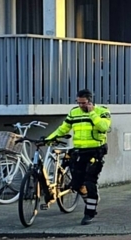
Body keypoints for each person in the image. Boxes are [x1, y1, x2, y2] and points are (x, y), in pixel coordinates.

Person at [47, 89, 112, 225]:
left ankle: (90, 212)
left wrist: (92, 113)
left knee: (90, 182)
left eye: (83, 103)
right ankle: (88, 197)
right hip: (79, 152)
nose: (80, 105)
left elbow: (103, 127)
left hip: (95, 152)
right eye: (78, 102)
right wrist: (49, 139)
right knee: (76, 184)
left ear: (90, 101)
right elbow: (63, 128)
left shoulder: (102, 111)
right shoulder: (74, 112)